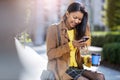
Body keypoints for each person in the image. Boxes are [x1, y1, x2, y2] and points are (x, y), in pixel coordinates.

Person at [46, 2, 105, 80]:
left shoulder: (79, 32)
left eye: (79, 19)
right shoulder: (53, 29)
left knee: (100, 77)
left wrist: (89, 60)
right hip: (62, 69)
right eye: (74, 17)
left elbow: (82, 56)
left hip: (76, 68)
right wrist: (71, 45)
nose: (77, 21)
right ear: (67, 14)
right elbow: (50, 54)